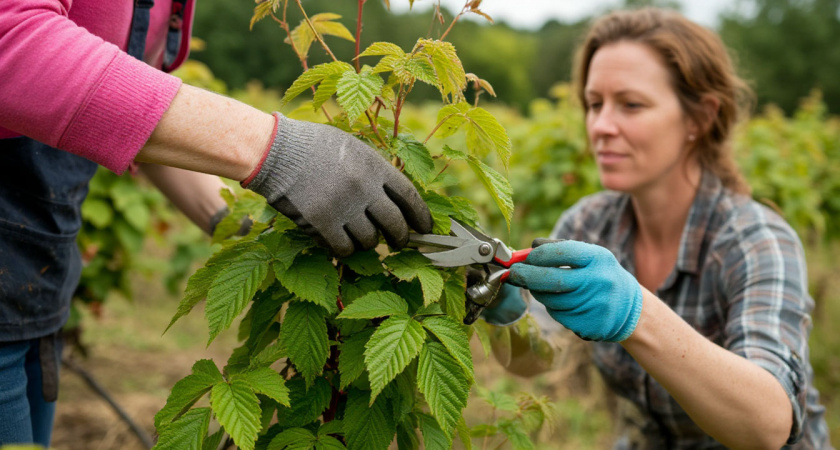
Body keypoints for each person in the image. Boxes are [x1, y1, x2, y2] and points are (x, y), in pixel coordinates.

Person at [0, 1, 432, 446]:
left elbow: (130, 117)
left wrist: (242, 228)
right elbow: (9, 38)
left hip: (38, 286)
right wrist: (277, 149)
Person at [482, 7, 831, 448]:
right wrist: (508, 311)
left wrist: (636, 314)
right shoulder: (590, 223)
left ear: (699, 118)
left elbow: (767, 424)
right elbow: (537, 356)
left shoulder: (755, 240)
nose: (601, 126)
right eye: (594, 104)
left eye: (631, 104)